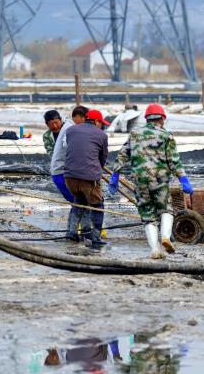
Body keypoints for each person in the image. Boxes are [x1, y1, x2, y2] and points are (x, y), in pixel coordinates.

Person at [108, 103, 192, 259]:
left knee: (147, 215)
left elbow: (122, 155)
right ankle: (165, 237)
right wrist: (184, 179)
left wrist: (115, 175)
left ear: (146, 119)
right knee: (166, 210)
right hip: (159, 180)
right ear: (162, 119)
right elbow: (174, 160)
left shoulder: (134, 134)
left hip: (140, 180)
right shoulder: (166, 135)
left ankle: (154, 250)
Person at [62, 108, 109, 250]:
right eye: (101, 123)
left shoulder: (71, 130)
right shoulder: (102, 135)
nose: (102, 126)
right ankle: (96, 237)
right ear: (96, 121)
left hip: (69, 176)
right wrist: (97, 170)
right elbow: (102, 159)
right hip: (88, 177)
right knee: (98, 205)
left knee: (79, 200)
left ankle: (72, 232)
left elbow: (75, 149)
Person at [50, 106, 87, 240]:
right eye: (85, 120)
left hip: (61, 171)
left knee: (77, 202)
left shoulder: (68, 126)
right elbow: (68, 145)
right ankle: (80, 232)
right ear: (78, 117)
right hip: (61, 172)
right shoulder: (70, 128)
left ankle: (72, 232)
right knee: (80, 202)